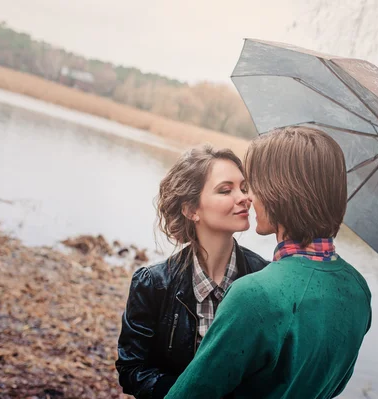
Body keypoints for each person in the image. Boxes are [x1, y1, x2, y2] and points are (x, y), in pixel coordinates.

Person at [165, 126, 372, 399]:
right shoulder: (358, 288)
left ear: (281, 193)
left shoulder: (255, 295)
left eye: (255, 184)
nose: (249, 197)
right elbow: (335, 385)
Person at [115, 145, 268, 399]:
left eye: (243, 187)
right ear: (191, 210)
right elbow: (132, 370)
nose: (244, 198)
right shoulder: (153, 284)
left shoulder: (264, 279)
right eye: (225, 189)